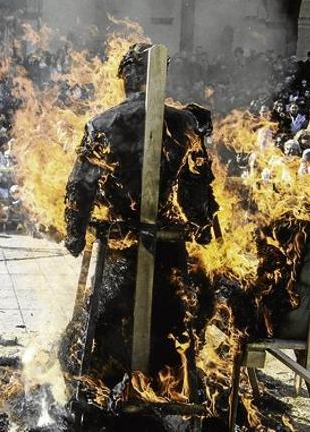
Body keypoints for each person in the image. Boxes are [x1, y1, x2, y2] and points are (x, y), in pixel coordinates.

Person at [60, 43, 219, 391]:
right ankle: (172, 386)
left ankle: (98, 387)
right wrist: (201, 225)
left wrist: (74, 234)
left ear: (130, 76)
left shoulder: (103, 123)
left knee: (100, 327)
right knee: (173, 326)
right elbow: (197, 186)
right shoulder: (184, 122)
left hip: (121, 246)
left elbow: (80, 186)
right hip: (168, 247)